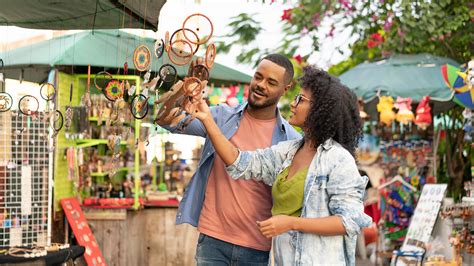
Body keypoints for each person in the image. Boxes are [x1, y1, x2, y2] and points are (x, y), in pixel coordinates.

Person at [187, 65, 372, 265]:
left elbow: (349, 221)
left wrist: (291, 223)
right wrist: (207, 119)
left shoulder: (338, 159)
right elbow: (240, 162)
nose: (293, 104)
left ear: (319, 110)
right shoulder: (287, 152)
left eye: (300, 99)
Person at [156, 54, 301, 265]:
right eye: (258, 77)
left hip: (257, 246)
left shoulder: (290, 140)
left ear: (285, 89)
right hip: (213, 238)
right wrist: (187, 86)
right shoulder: (222, 116)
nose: (261, 85)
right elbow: (165, 120)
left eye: (271, 82)